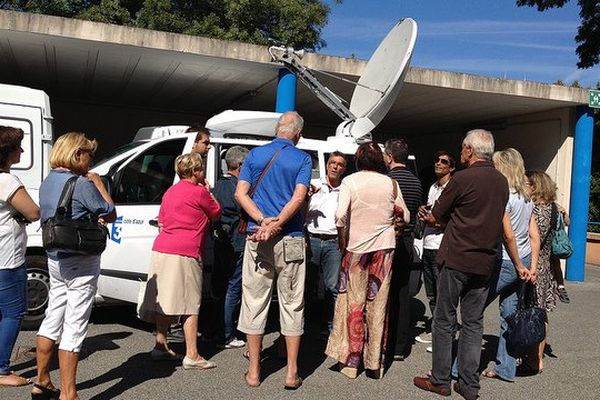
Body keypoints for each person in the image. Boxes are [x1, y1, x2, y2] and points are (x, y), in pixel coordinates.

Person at [413, 129, 508, 400]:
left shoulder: (461, 179)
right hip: (485, 260)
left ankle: (440, 379)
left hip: (455, 258)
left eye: (463, 149)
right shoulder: (501, 182)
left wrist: (433, 215)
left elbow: (436, 216)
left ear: (469, 150)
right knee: (473, 323)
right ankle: (468, 385)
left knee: (444, 320)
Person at [33, 132, 116, 400]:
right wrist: (100, 184)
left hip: (56, 257)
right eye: (89, 153)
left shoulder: (48, 181)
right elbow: (109, 211)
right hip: (80, 259)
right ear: (77, 154)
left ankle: (42, 380)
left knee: (53, 315)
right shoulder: (81, 183)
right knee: (75, 325)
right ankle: (69, 394)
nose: (91, 160)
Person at [234, 111, 312, 389]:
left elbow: (240, 193)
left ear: (277, 130)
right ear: (298, 134)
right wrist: (277, 223)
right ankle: (291, 373)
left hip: (257, 236)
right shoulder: (302, 158)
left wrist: (262, 221)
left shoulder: (254, 155)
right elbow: (299, 197)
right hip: (290, 236)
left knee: (254, 301)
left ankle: (254, 371)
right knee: (292, 303)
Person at [325, 142, 409, 380]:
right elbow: (406, 213)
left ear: (358, 159)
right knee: (379, 305)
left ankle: (351, 364)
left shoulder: (350, 181)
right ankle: (374, 365)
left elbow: (340, 215)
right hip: (384, 248)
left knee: (353, 304)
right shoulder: (390, 182)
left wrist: (342, 239)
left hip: (356, 248)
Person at [139, 152, 221, 369]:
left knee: (164, 299)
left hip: (162, 248)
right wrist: (208, 190)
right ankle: (192, 354)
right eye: (201, 168)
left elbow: (162, 222)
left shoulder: (170, 192)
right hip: (186, 251)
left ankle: (161, 345)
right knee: (190, 302)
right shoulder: (199, 192)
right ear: (195, 171)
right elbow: (216, 212)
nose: (203, 172)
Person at [479, 148, 539, 382]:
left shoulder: (504, 195)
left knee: (474, 310)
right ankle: (506, 368)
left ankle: (457, 367)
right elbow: (533, 234)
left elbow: (509, 236)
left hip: (506, 261)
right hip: (523, 260)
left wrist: (517, 265)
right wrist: (530, 267)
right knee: (509, 316)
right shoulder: (525, 196)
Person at [0, 126, 39, 389]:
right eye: (18, 147)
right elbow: (34, 212)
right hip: (7, 256)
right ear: (7, 152)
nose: (22, 151)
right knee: (13, 312)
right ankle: (1, 370)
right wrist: (23, 215)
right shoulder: (6, 180)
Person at [384, 138, 422, 361]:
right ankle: (400, 345)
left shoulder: (387, 180)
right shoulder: (416, 182)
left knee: (383, 292)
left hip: (387, 240)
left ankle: (384, 342)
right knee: (402, 291)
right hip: (407, 240)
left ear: (389, 156)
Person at [524, 170, 564, 373]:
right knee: (542, 314)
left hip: (534, 265)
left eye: (526, 183)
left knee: (532, 312)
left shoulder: (536, 210)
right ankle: (537, 357)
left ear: (535, 186)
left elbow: (532, 238)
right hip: (547, 266)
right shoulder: (555, 208)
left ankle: (534, 359)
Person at [415, 151, 455, 350]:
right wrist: (423, 211)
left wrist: (438, 222)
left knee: (443, 293)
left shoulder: (453, 188)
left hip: (443, 245)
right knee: (431, 293)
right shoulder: (432, 186)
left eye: (444, 162)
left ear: (451, 167)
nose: (439, 164)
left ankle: (445, 334)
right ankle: (435, 329)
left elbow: (456, 218)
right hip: (428, 243)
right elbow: (431, 212)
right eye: (437, 160)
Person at [306, 151, 347, 334]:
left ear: (343, 169)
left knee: (332, 286)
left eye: (339, 164)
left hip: (333, 242)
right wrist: (307, 196)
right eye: (332, 162)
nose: (335, 166)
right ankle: (303, 326)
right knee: (308, 284)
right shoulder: (314, 185)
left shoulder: (346, 190)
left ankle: (332, 327)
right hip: (312, 239)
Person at [213, 146, 250, 349]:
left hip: (220, 241)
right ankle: (227, 334)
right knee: (233, 287)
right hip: (236, 242)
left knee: (219, 287)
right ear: (241, 165)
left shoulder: (218, 185)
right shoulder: (239, 188)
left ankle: (215, 330)